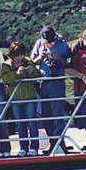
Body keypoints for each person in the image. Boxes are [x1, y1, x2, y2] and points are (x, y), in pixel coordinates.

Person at [30, 26, 70, 154]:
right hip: (43, 82)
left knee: (58, 114)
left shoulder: (63, 45)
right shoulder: (39, 44)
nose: (49, 44)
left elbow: (69, 63)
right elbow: (32, 61)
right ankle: (52, 142)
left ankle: (60, 142)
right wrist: (40, 58)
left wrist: (58, 59)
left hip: (57, 82)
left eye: (51, 42)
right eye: (47, 42)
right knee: (46, 115)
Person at [1, 42, 41, 156]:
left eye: (20, 55)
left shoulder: (28, 61)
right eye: (15, 55)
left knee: (32, 123)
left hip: (29, 98)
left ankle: (34, 147)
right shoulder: (6, 65)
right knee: (20, 124)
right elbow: (6, 79)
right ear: (11, 55)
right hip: (16, 100)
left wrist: (30, 71)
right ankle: (23, 147)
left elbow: (36, 75)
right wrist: (17, 74)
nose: (18, 58)